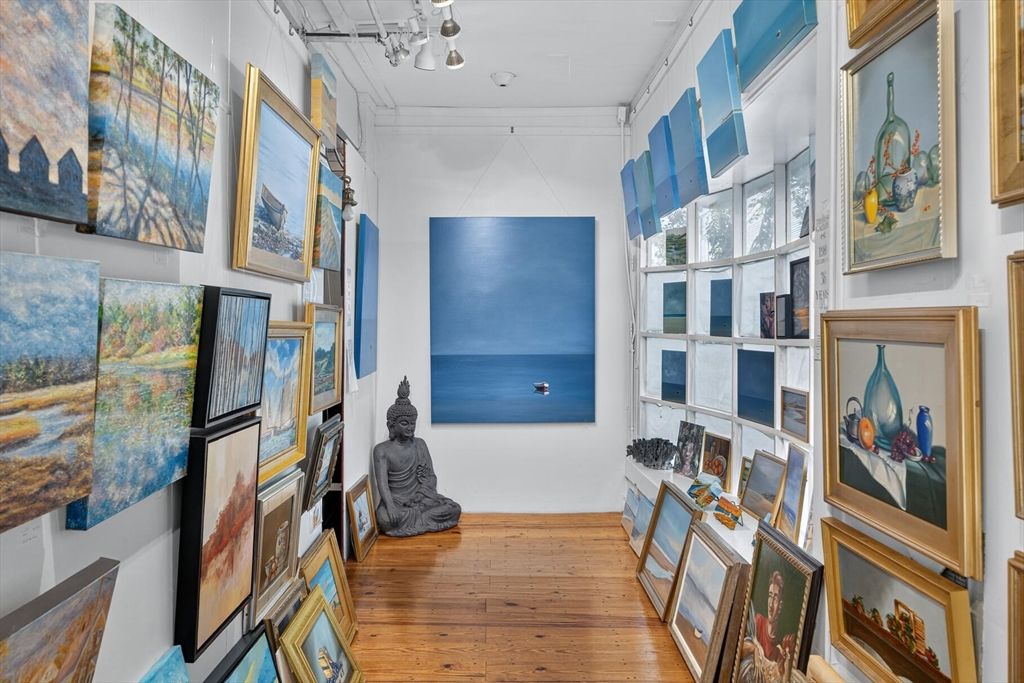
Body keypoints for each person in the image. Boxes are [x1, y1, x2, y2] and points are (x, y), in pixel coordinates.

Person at [371, 377, 461, 537]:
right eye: (405, 423)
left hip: (420, 500)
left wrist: (420, 496)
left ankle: (420, 518)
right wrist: (390, 506)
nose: (410, 428)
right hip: (397, 501)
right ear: (391, 426)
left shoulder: (420, 444)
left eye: (413, 423)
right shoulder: (382, 450)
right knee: (385, 519)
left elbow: (430, 478)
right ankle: (422, 520)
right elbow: (383, 485)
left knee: (454, 509)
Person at [738, 570, 797, 682]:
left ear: (780, 605)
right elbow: (739, 648)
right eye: (770, 596)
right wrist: (754, 649)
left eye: (775, 598)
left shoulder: (780, 648)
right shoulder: (758, 621)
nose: (770, 604)